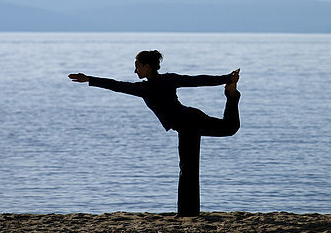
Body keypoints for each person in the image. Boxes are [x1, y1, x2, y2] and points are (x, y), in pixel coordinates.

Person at [68, 50, 241, 216]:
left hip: (189, 121)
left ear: (147, 67)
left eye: (137, 66)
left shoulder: (163, 82)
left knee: (193, 162)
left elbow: (197, 80)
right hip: (187, 122)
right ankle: (188, 213)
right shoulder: (149, 86)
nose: (135, 70)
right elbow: (116, 85)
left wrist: (226, 78)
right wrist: (90, 79)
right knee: (191, 164)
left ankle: (187, 213)